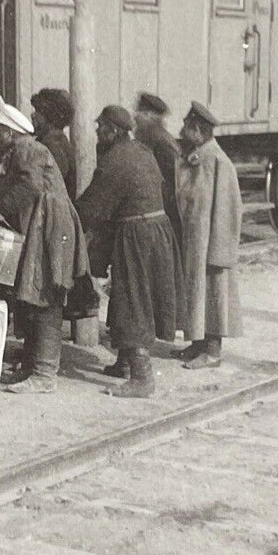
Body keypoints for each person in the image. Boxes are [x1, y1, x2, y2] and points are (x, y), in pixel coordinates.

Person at [76, 105, 181, 398]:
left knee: (132, 299)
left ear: (113, 131)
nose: (97, 133)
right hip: (156, 230)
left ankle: (142, 378)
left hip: (137, 234)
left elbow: (92, 206)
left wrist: (70, 221)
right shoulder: (141, 151)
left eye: (101, 129)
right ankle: (124, 362)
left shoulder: (115, 160)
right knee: (133, 295)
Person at [0, 104, 90, 394]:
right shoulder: (21, 151)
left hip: (49, 227)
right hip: (41, 225)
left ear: (9, 132)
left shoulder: (27, 149)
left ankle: (45, 375)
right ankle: (31, 367)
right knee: (33, 295)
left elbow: (31, 186)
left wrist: (1, 209)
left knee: (46, 295)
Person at [174, 102, 244, 369]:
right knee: (196, 293)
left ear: (197, 130)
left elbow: (229, 210)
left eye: (185, 127)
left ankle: (212, 352)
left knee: (214, 296)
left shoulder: (218, 162)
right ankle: (197, 345)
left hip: (212, 245)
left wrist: (220, 251)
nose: (181, 132)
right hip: (195, 243)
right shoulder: (198, 157)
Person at [134, 92, 182, 241]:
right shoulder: (154, 135)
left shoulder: (156, 138)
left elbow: (173, 179)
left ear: (150, 116)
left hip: (165, 206)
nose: (135, 117)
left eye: (140, 113)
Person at [30, 87, 77, 195]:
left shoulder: (52, 145)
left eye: (38, 111)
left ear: (50, 116)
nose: (33, 115)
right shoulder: (58, 140)